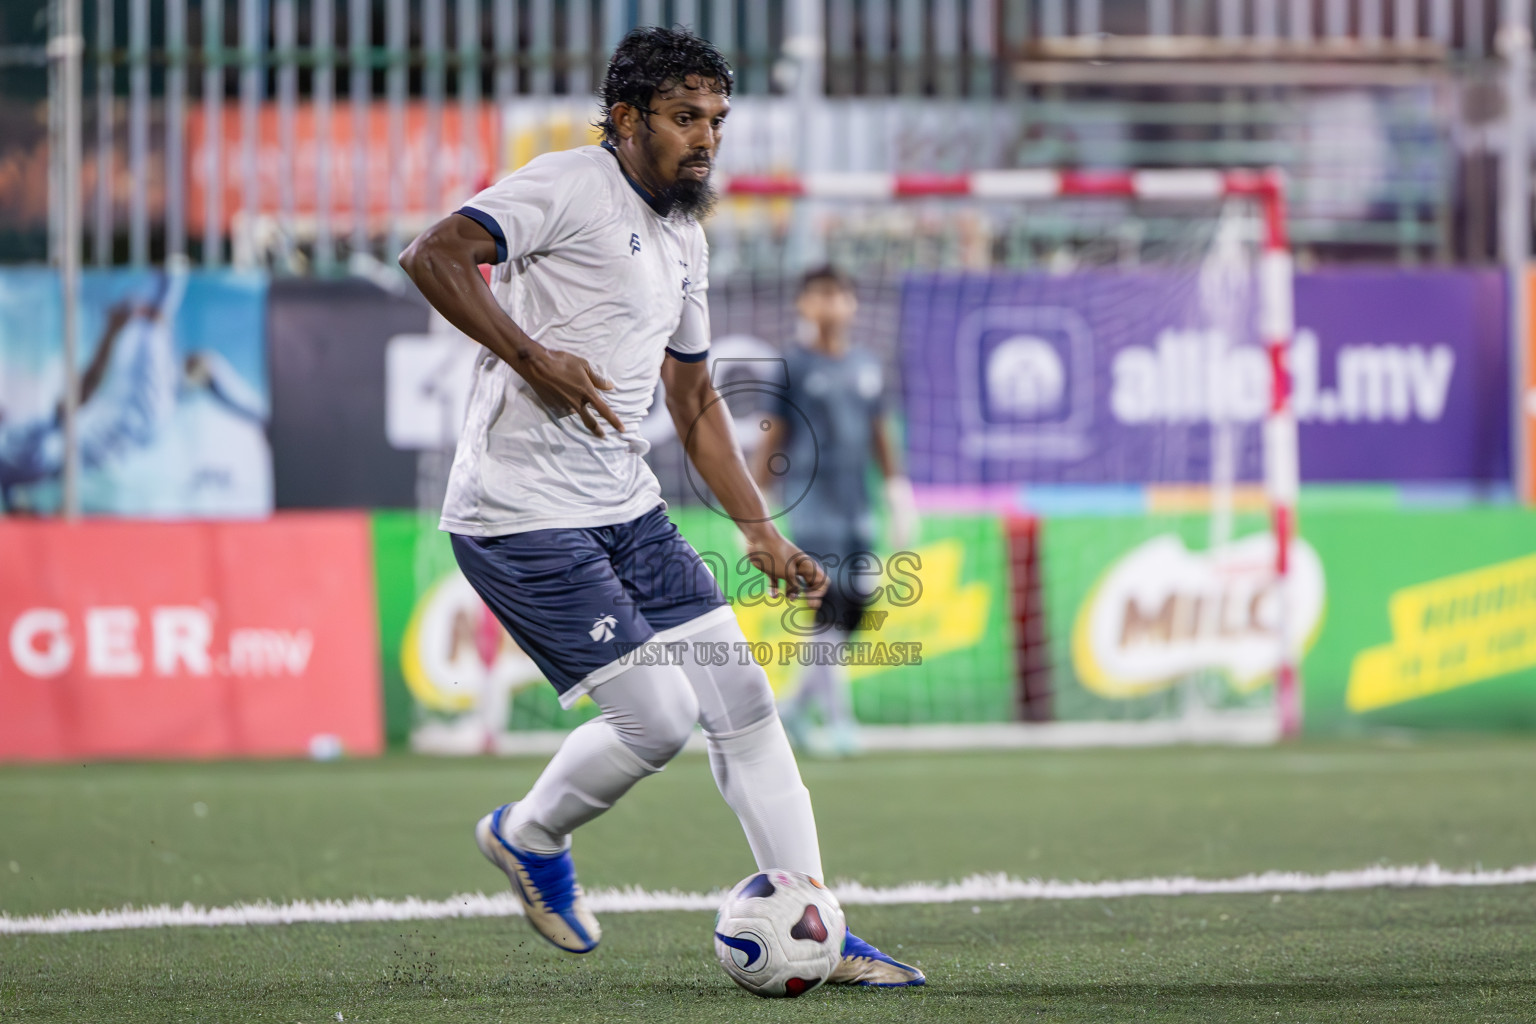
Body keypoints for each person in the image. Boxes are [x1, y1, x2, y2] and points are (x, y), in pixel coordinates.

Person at [399, 26, 923, 986]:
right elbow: (432, 254)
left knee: (745, 703)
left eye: (718, 119)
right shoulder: (565, 184)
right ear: (630, 118)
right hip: (517, 512)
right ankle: (528, 836)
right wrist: (533, 358)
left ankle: (814, 916)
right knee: (657, 719)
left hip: (623, 506)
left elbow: (691, 400)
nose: (708, 139)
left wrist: (759, 529)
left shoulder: (686, 236)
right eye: (687, 118)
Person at [751, 266, 917, 757]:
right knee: (826, 607)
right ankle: (839, 718)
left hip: (857, 507)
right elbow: (772, 434)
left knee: (855, 609)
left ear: (853, 304)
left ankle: (796, 708)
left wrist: (897, 491)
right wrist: (755, 503)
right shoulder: (793, 364)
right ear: (804, 304)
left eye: (838, 295)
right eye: (818, 295)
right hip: (811, 504)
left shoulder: (866, 364)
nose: (829, 304)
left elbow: (879, 432)